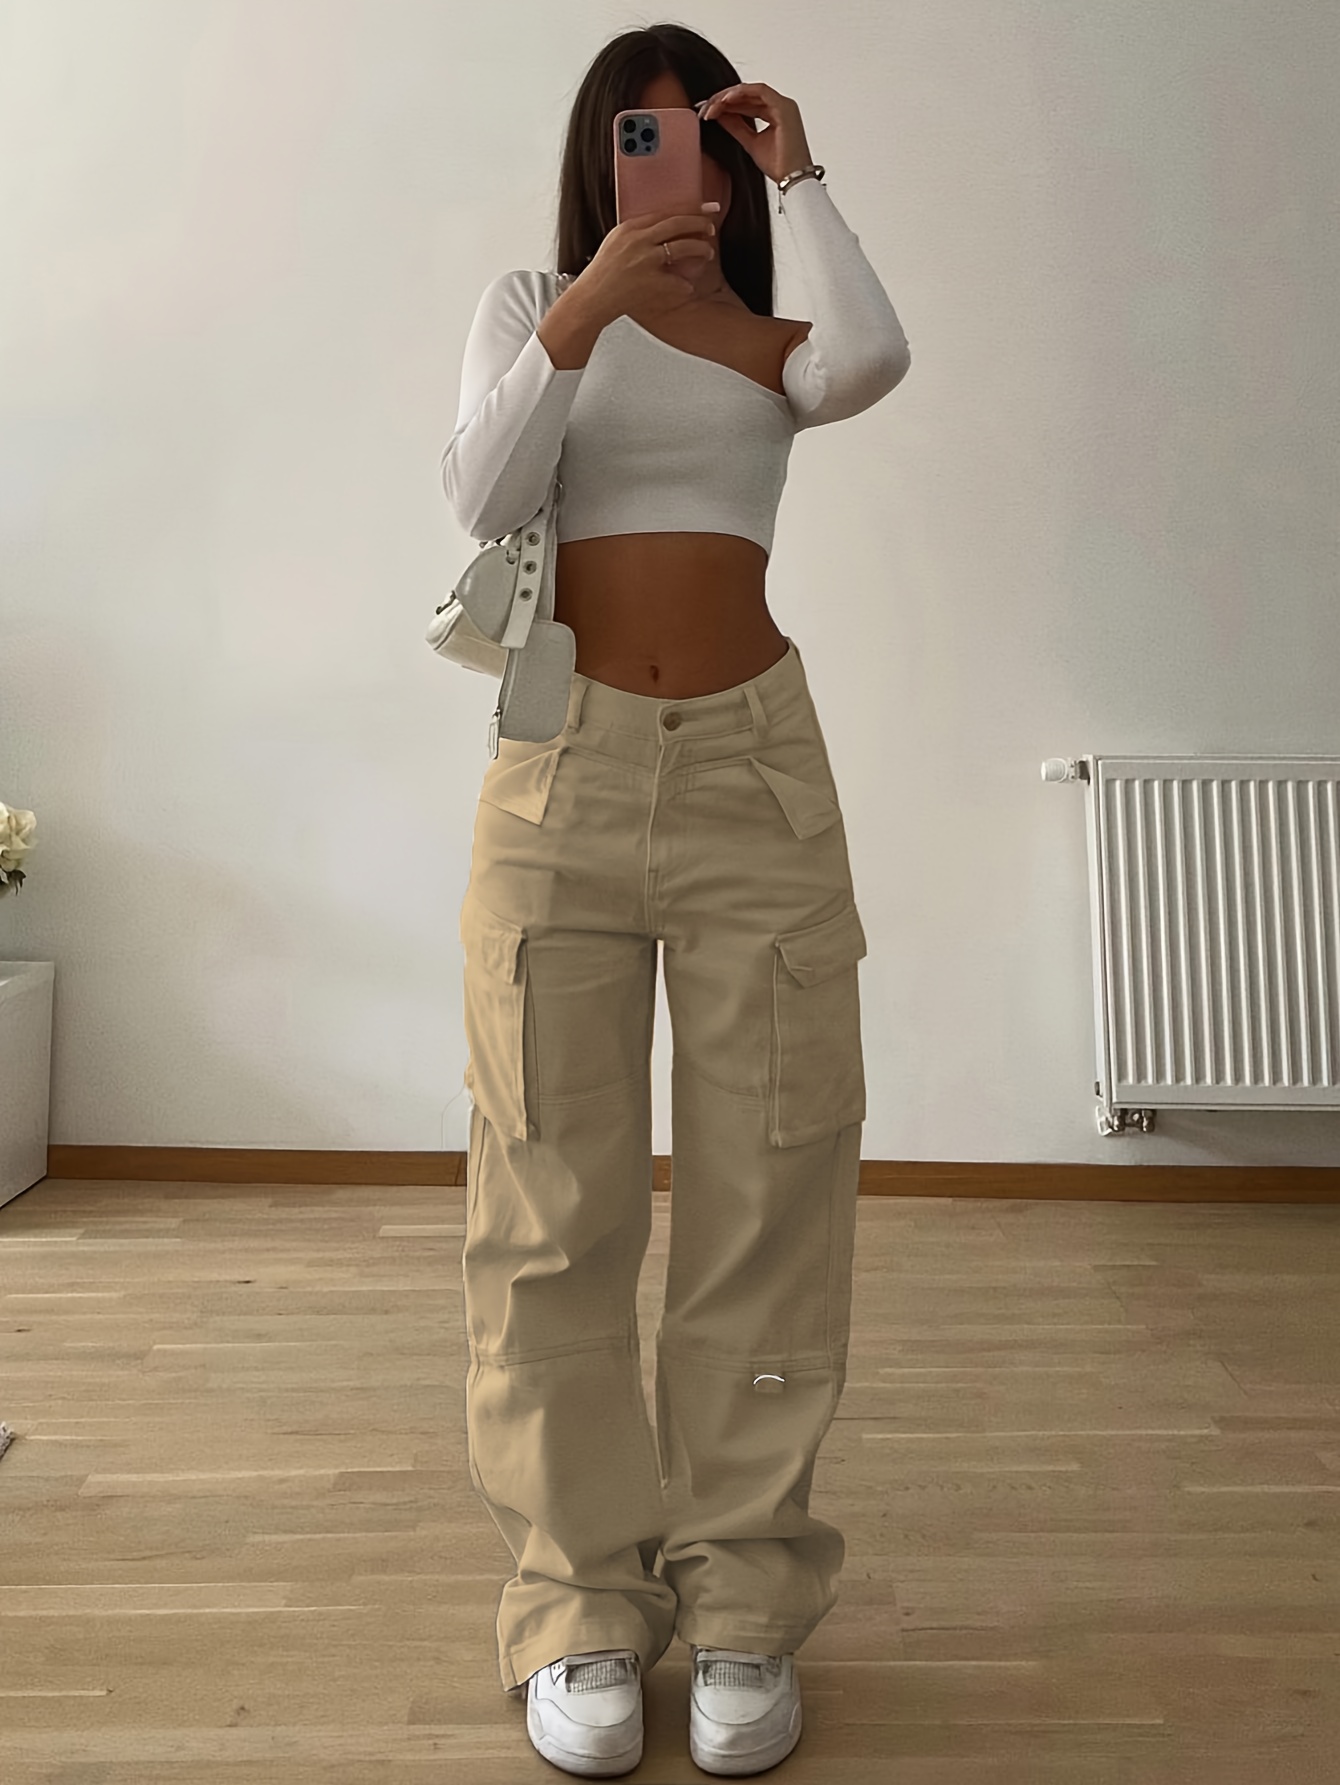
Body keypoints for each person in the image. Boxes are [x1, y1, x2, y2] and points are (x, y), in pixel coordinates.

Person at [441, 23, 910, 1778]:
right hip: (559, 774)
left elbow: (874, 358)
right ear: (600, 158)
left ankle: (744, 1606)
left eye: (705, 139)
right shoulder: (530, 306)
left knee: (768, 1196)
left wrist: (803, 173)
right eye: (646, 139)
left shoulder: (771, 340)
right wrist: (583, 312)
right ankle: (576, 1605)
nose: (681, 170)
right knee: (547, 1204)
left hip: (754, 776)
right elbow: (480, 491)